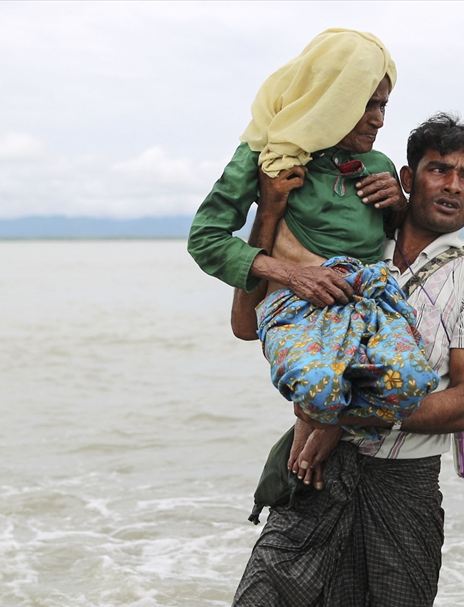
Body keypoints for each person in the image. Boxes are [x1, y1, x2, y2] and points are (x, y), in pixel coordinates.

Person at [216, 113, 464, 607]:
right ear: (407, 178)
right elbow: (249, 321)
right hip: (314, 477)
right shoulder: (350, 242)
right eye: (439, 168)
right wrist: (266, 218)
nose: (453, 185)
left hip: (403, 488)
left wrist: (338, 413)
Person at [187, 29, 437, 457]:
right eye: (366, 105)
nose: (379, 119)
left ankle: (329, 430)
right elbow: (205, 239)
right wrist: (292, 273)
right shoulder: (266, 156)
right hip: (297, 311)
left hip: (367, 306)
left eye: (383, 105)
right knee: (318, 390)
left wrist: (399, 206)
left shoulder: (375, 166)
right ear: (330, 97)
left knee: (411, 383)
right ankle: (319, 422)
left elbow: (397, 243)